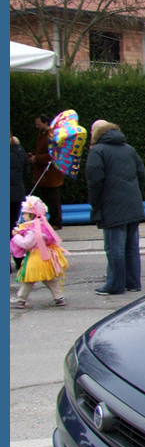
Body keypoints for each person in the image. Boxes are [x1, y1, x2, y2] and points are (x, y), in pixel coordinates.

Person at [85, 120, 145, 295]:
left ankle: (115, 285)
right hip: (133, 205)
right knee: (132, 247)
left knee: (115, 248)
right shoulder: (129, 149)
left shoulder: (97, 151)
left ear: (96, 133)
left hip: (111, 207)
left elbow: (94, 181)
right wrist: (134, 193)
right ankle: (133, 283)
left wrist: (95, 203)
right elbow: (142, 174)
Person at [10, 195, 69, 308]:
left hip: (35, 258)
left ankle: (21, 299)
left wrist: (16, 236)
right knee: (49, 279)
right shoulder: (42, 226)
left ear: (32, 215)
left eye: (25, 214)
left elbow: (26, 244)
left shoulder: (33, 230)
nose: (23, 216)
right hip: (45, 258)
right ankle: (59, 297)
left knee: (29, 280)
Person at [28, 113, 65, 229]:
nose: (37, 127)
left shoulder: (52, 135)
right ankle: (50, 221)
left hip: (51, 174)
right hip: (43, 174)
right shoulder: (42, 135)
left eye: (38, 124)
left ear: (46, 123)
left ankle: (56, 222)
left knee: (53, 200)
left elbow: (53, 155)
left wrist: (37, 158)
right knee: (46, 199)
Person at [10, 134, 31, 271]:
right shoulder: (19, 150)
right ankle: (18, 259)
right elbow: (26, 171)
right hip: (16, 193)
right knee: (13, 227)